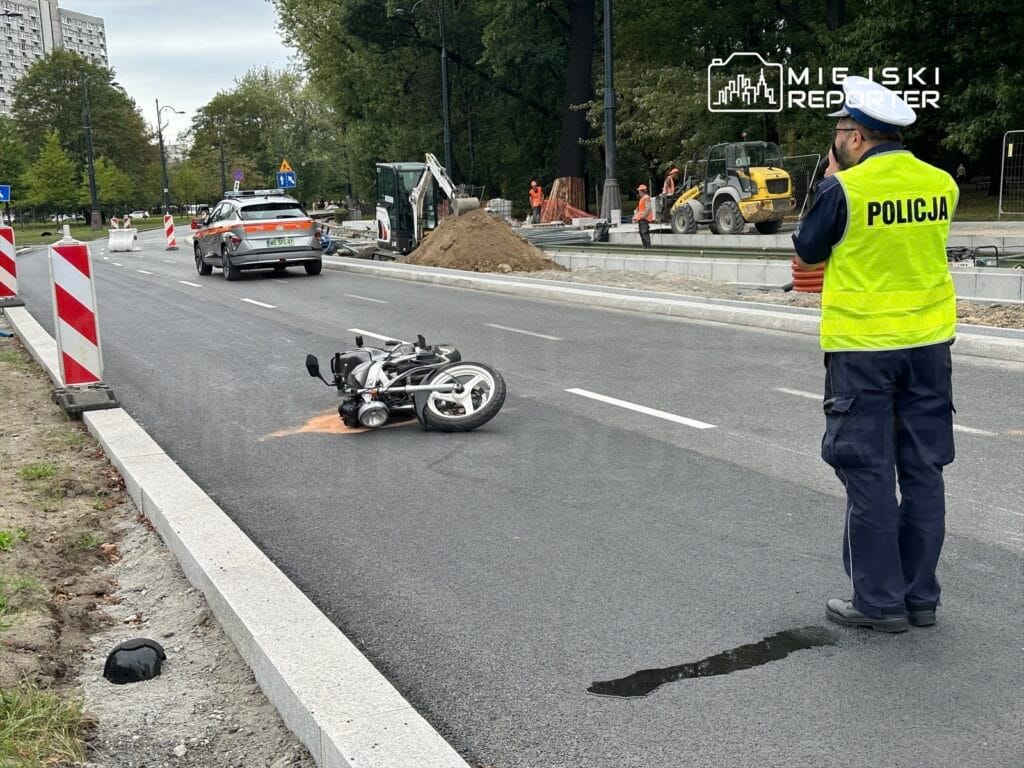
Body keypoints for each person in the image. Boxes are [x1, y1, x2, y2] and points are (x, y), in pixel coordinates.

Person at [792, 76, 959, 634]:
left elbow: (808, 248)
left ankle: (879, 602)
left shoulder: (847, 189)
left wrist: (830, 184)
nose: (835, 140)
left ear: (857, 136)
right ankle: (920, 599)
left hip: (863, 351)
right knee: (923, 470)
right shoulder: (942, 184)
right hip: (930, 347)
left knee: (867, 472)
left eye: (839, 131)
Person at [633, 183, 655, 248]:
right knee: (642, 233)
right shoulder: (643, 198)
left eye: (639, 191)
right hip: (641, 218)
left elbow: (648, 208)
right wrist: (636, 217)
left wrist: (643, 216)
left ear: (641, 191)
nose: (638, 192)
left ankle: (648, 248)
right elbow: (640, 209)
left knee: (644, 233)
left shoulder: (646, 198)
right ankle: (645, 247)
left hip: (644, 219)